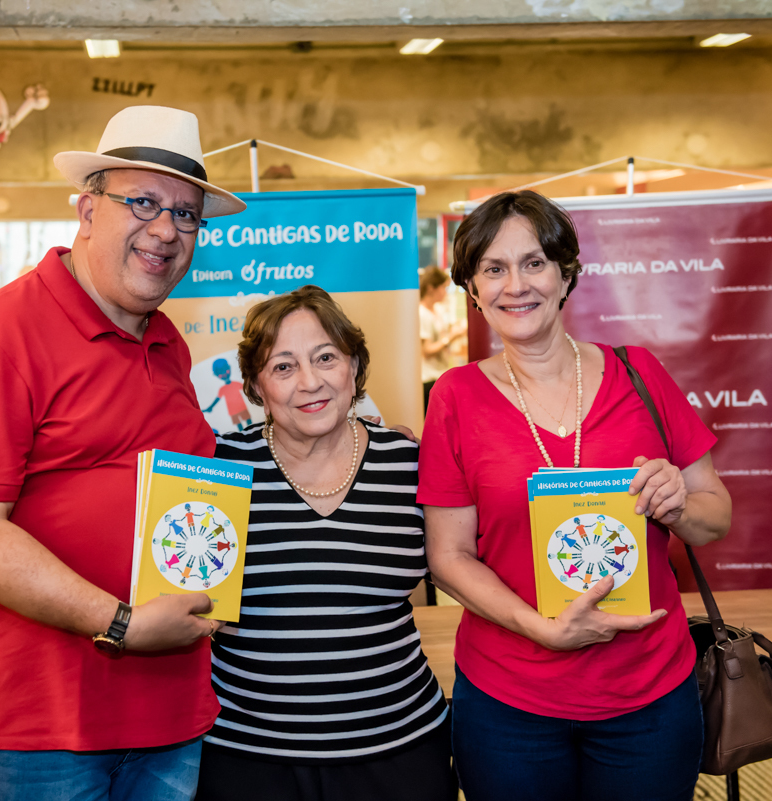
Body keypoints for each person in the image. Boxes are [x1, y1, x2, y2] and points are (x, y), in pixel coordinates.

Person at [0, 105, 247, 801]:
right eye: (143, 202)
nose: (165, 229)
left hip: (168, 715)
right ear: (87, 208)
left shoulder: (167, 343)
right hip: (38, 730)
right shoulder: (1, 335)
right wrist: (122, 624)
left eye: (187, 215)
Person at [418, 190, 732, 801]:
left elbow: (714, 517)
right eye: (493, 268)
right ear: (473, 288)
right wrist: (539, 629)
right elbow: (448, 556)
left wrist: (679, 503)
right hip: (510, 702)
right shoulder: (455, 397)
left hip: (648, 694)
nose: (516, 285)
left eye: (534, 262)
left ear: (566, 274)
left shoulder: (638, 373)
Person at [198, 286, 455, 801]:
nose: (310, 382)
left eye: (325, 358)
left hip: (399, 751)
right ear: (254, 385)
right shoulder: (217, 470)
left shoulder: (410, 464)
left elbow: (468, 562)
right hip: (249, 759)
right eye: (283, 367)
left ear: (354, 366)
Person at [418, 265, 465, 410]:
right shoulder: (422, 313)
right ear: (432, 288)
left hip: (440, 374)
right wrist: (450, 338)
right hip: (428, 378)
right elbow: (426, 350)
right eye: (443, 288)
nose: (445, 292)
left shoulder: (437, 310)